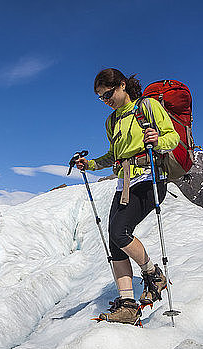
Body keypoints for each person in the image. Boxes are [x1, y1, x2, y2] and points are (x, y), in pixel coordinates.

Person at [76, 68, 179, 325]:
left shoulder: (148, 106)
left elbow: (173, 138)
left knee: (120, 232)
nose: (106, 100)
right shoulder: (111, 121)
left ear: (122, 86)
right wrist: (89, 165)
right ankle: (127, 305)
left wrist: (158, 139)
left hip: (149, 178)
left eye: (108, 93)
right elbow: (114, 155)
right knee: (115, 240)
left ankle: (153, 274)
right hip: (125, 183)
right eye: (101, 97)